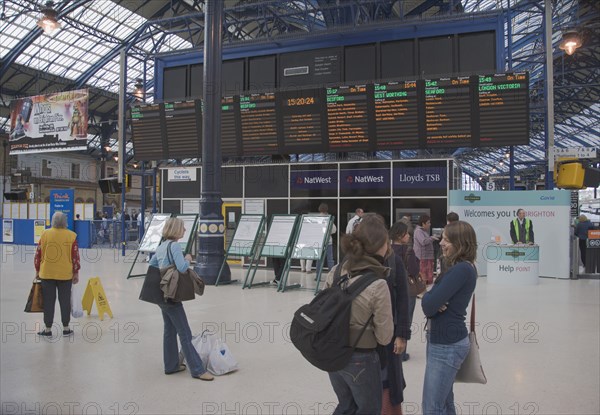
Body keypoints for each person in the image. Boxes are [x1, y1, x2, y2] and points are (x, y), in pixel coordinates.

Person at [325, 214, 393, 415]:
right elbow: (384, 336)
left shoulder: (336, 271)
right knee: (368, 409)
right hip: (361, 357)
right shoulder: (378, 284)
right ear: (380, 246)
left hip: (332, 352)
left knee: (346, 406)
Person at [421, 221, 478, 415]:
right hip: (444, 340)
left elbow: (428, 305)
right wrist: (434, 298)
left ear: (460, 243)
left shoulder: (461, 270)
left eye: (447, 239)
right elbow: (433, 301)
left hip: (446, 344)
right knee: (444, 403)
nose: (441, 243)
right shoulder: (457, 267)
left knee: (432, 407)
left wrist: (431, 297)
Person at [148, 217, 214, 381]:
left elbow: (152, 265)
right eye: (182, 228)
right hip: (172, 296)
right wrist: (188, 258)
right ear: (176, 230)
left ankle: (171, 365)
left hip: (162, 294)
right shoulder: (175, 246)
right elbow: (182, 268)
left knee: (169, 331)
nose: (184, 230)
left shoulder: (162, 246)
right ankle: (198, 370)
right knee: (185, 333)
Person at [380, 217, 411, 414]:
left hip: (388, 336)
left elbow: (403, 300)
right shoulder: (350, 264)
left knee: (388, 383)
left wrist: (401, 334)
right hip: (361, 344)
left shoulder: (394, 260)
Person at [34, 212, 80, 337]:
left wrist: (37, 270)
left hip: (46, 274)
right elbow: (75, 256)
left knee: (48, 302)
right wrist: (76, 272)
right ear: (65, 221)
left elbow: (38, 254)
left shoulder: (45, 234)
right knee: (65, 301)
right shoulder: (71, 236)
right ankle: (66, 328)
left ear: (52, 221)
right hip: (65, 275)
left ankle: (47, 329)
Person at [389, 220, 420, 362]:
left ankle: (390, 348)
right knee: (405, 319)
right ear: (401, 235)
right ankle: (402, 352)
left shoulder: (387, 250)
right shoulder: (409, 250)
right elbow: (414, 270)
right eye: (407, 233)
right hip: (407, 290)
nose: (408, 236)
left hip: (390, 289)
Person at [413, 215, 438, 285]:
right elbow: (423, 242)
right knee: (424, 276)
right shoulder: (418, 231)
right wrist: (432, 238)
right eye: (428, 223)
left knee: (429, 276)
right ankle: (423, 291)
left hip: (427, 257)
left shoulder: (423, 231)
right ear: (423, 223)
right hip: (423, 258)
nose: (429, 224)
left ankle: (427, 289)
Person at [317, 203, 336, 273]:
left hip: (319, 242)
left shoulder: (316, 219)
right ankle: (331, 274)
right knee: (330, 259)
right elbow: (334, 230)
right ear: (326, 209)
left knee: (319, 259)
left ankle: (317, 275)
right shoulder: (328, 218)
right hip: (328, 242)